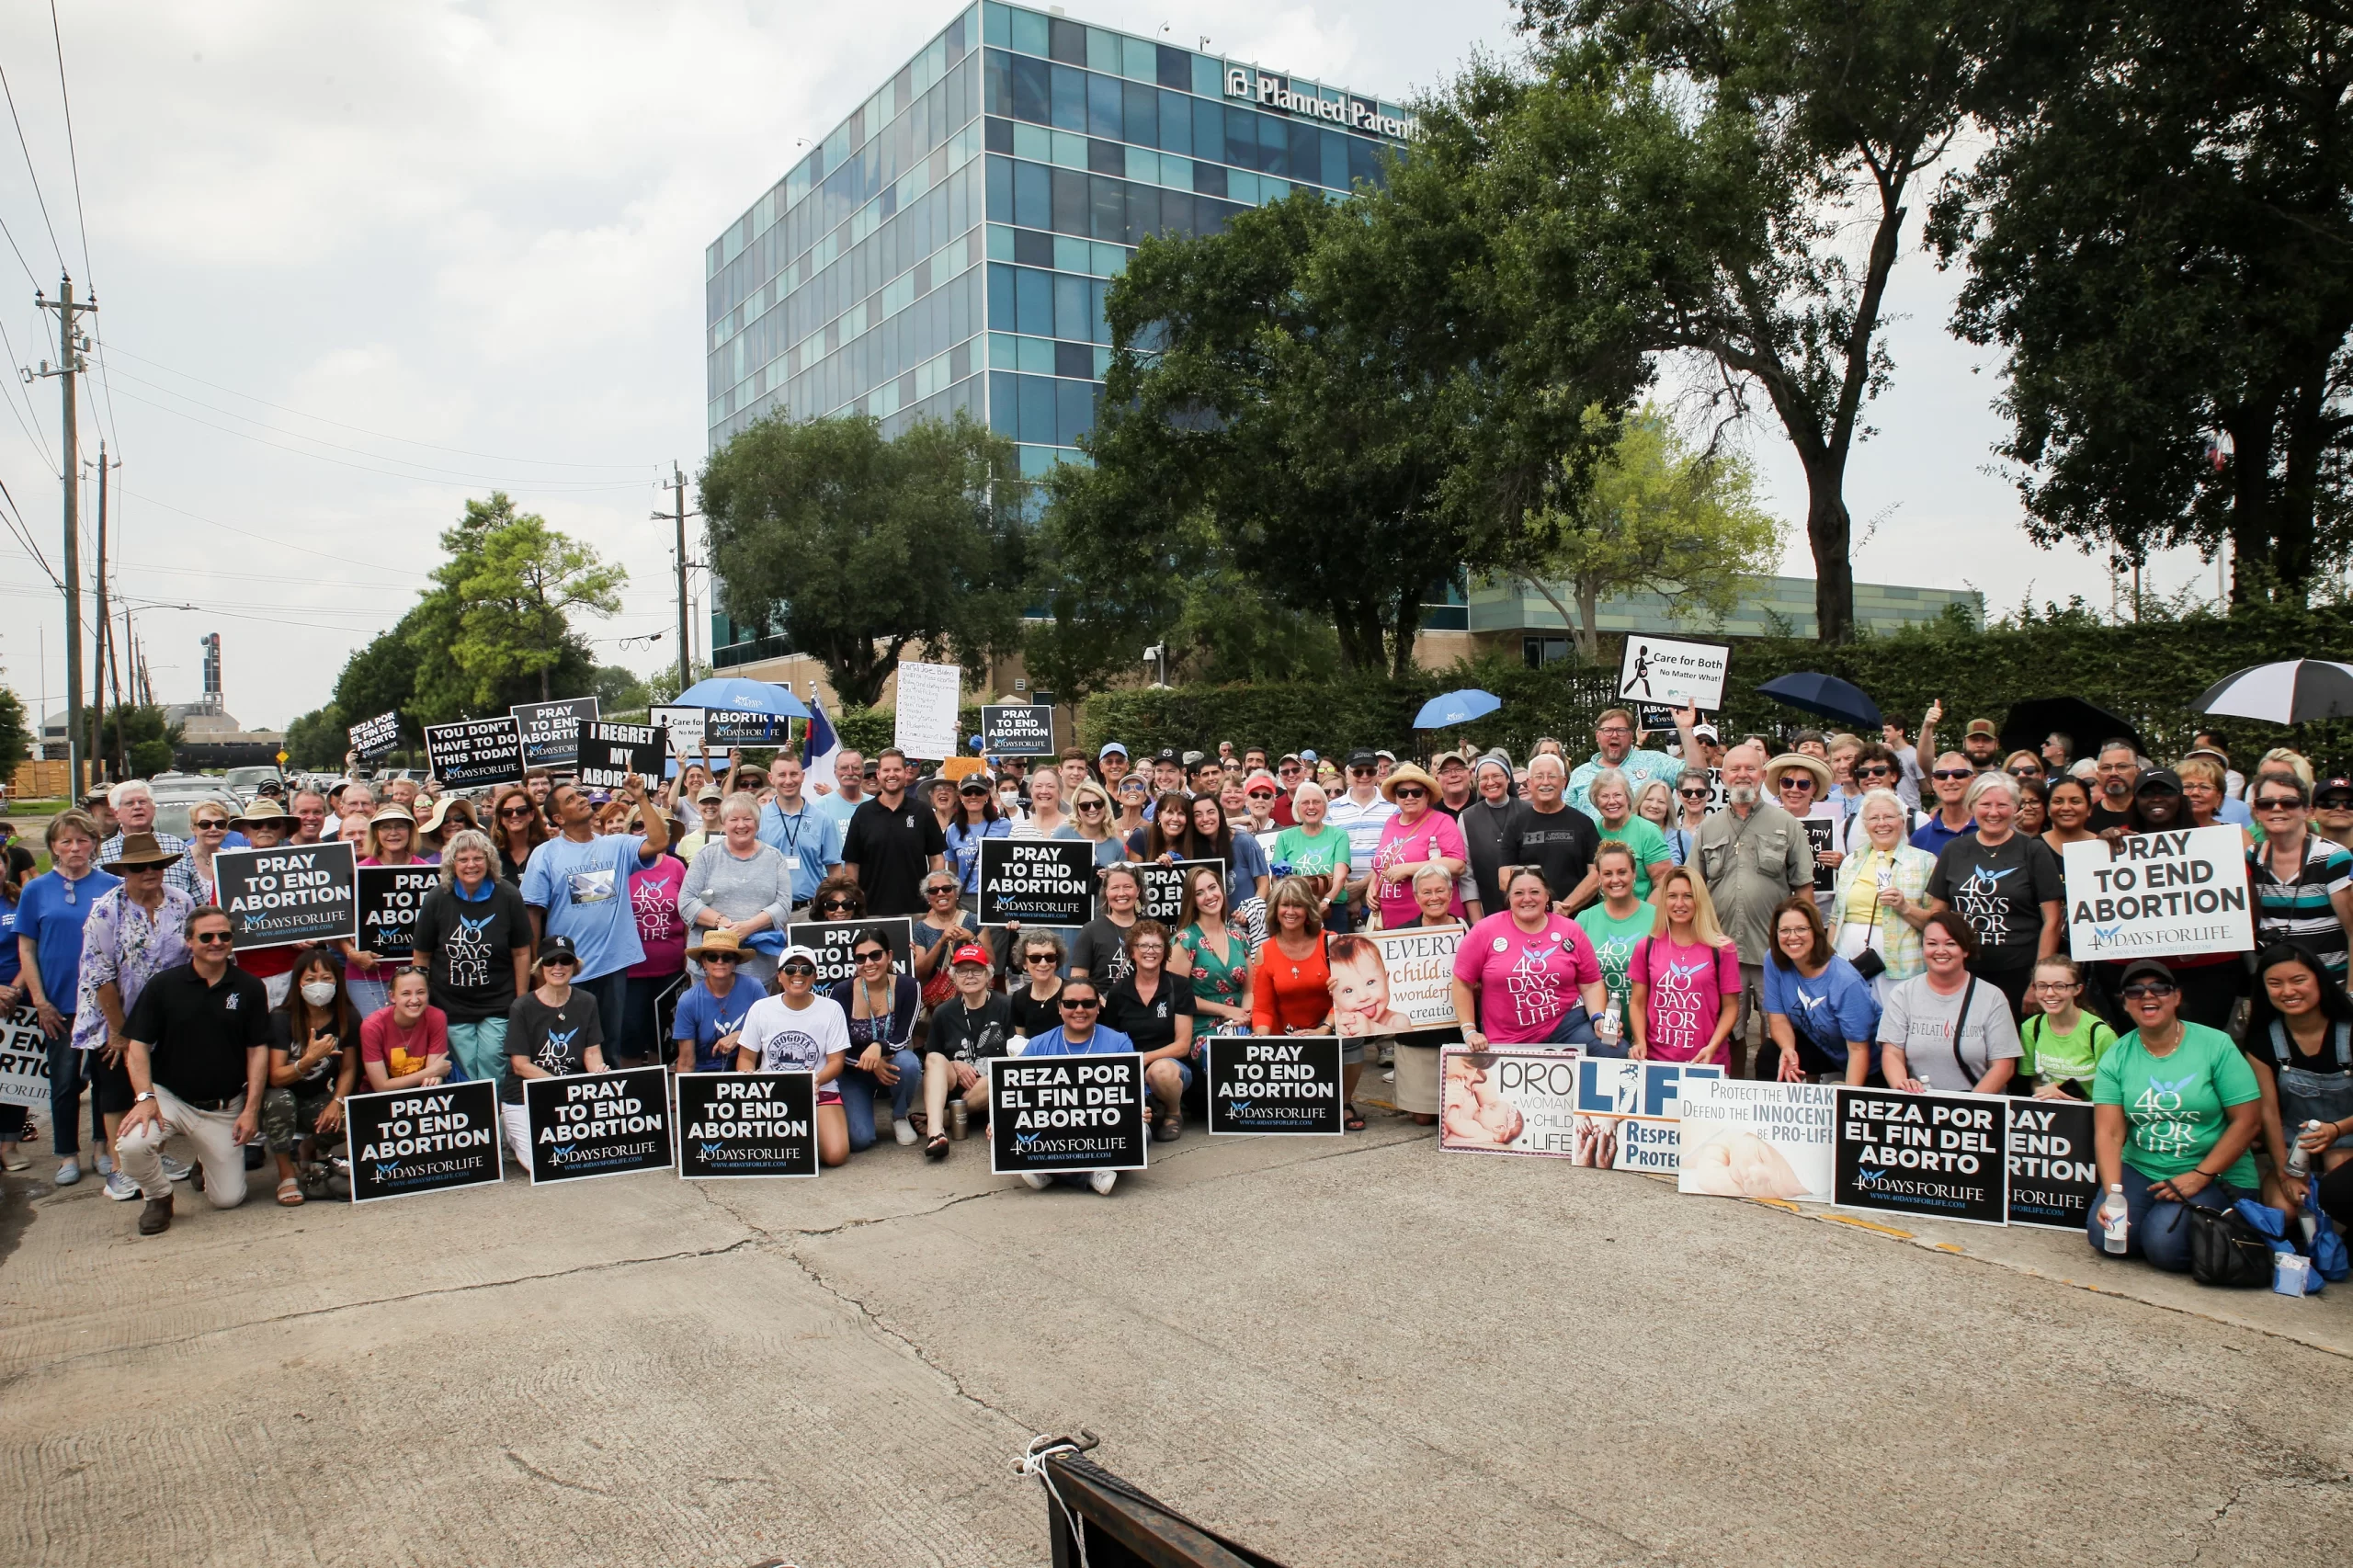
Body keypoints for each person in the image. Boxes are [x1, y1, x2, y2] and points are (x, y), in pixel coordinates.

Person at [2086, 957, 2264, 1272]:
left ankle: (2213, 1223)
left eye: (2160, 988)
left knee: (2164, 1247)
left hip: (2214, 1171)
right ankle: (2164, 1224)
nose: (2148, 996)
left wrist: (2201, 1176)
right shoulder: (2117, 1055)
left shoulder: (2216, 1045)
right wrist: (2114, 1194)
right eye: (2136, 990)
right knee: (2107, 1236)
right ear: (2124, 1003)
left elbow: (2248, 1121)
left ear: (2177, 997)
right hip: (2142, 1167)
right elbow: (2110, 1133)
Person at [112, 906, 271, 1233]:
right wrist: (145, 1097)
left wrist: (251, 1110)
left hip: (224, 1107)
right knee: (131, 1146)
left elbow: (258, 1051)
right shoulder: (163, 986)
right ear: (188, 941)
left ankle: (204, 1160)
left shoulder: (251, 988)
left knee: (227, 1199)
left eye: (224, 936)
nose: (217, 942)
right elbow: (138, 1047)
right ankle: (158, 1197)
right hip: (170, 1098)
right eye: (207, 936)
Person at [72, 833, 196, 1202]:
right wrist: (120, 1032)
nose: (149, 872)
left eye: (156, 865)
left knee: (158, 1088)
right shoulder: (106, 910)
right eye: (140, 866)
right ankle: (121, 1167)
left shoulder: (181, 901)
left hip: (164, 1017)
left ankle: (153, 1156)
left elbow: (190, 958)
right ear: (124, 870)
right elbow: (101, 975)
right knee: (116, 1092)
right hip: (115, 1014)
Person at [521, 773, 670, 1043]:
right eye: (570, 799)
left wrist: (640, 797)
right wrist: (538, 968)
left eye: (579, 795)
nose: (580, 799)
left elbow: (659, 842)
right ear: (559, 819)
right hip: (567, 968)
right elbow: (532, 914)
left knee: (610, 1045)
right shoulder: (545, 854)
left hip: (613, 965)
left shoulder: (617, 845)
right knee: (571, 1047)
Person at [1693, 742, 1813, 1075]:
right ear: (1723, 776)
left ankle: (1772, 1094)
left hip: (1773, 951)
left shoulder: (1787, 824)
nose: (1742, 775)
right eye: (1735, 769)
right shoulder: (1708, 827)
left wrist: (1807, 942)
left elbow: (1803, 886)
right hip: (1721, 948)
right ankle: (1732, 1089)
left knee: (1780, 1028)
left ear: (1762, 774)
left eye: (1750, 768)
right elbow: (1693, 887)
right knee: (1729, 1029)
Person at [19, 811, 118, 1187]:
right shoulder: (35, 889)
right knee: (63, 1082)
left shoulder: (110, 884)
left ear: (94, 843)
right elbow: (27, 948)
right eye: (66, 841)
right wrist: (39, 999)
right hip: (58, 1002)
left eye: (82, 840)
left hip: (102, 1002)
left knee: (105, 1081)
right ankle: (66, 1155)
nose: (74, 848)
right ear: (53, 848)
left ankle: (101, 1148)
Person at [1924, 771, 2063, 1020]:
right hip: (1963, 972)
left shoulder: (2033, 850)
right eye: (1985, 804)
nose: (1994, 812)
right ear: (1972, 806)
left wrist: (2040, 981)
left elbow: (2053, 920)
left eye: (2002, 805)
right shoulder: (1954, 850)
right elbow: (1938, 915)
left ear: (2015, 807)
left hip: (2019, 972)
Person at [409, 828, 534, 1088]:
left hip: (498, 1001)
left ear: (489, 862)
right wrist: (422, 999)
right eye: (463, 859)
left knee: (492, 1062)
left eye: (478, 858)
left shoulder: (509, 895)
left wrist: (520, 1001)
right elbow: (422, 956)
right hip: (450, 1003)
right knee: (465, 1068)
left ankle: (495, 1119)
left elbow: (522, 952)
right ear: (451, 864)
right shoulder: (436, 898)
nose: (471, 865)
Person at [2245, 943, 2353, 1215]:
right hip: (2293, 1147)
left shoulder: (2349, 1028)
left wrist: (2337, 1130)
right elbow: (2268, 1113)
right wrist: (2286, 1174)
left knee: (2339, 1180)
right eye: (2275, 983)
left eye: (2298, 980)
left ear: (2318, 979)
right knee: (2286, 1209)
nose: (2288, 991)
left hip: (2348, 1138)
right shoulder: (2261, 1040)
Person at [1452, 864, 1608, 1052]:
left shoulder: (1570, 929)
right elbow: (1462, 983)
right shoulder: (1485, 931)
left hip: (1567, 1026)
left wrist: (1598, 1018)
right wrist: (1469, 1030)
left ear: (1547, 896)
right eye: (1518, 893)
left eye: (1535, 891)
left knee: (1614, 1049)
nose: (1527, 899)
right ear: (1509, 898)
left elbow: (1591, 983)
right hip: (1508, 1037)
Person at [730, 943, 850, 1166]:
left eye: (806, 970)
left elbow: (836, 1062)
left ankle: (808, 1133)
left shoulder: (832, 1008)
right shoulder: (761, 1008)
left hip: (819, 1090)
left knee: (836, 1155)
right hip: (771, 1093)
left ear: (814, 976)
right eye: (790, 969)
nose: (798, 974)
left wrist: (814, 1081)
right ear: (779, 976)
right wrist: (747, 1075)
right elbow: (746, 1057)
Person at [1009, 976, 1130, 1196]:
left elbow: (1131, 1094)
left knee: (1141, 1132)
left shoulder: (1119, 1043)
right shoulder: (1038, 1045)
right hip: (1053, 1128)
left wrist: (1140, 1111)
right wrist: (999, 1122)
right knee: (1003, 1135)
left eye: (1088, 1003)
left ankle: (1051, 1171)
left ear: (1098, 1007)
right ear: (1059, 1007)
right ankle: (1090, 1174)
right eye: (1071, 1004)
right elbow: (1018, 1097)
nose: (1079, 1010)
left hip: (1100, 1129)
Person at [1877, 911, 2021, 1094]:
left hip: (1977, 1106)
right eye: (1931, 944)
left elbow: (2003, 1065)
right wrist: (1902, 1085)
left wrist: (1966, 1108)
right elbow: (1892, 1053)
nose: (1940, 951)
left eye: (1950, 944)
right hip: (1920, 1104)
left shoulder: (1993, 997)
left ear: (1965, 950)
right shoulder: (1902, 994)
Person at [496, 936, 609, 1168]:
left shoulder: (587, 1001)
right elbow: (520, 1065)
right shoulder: (522, 1006)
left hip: (570, 1097)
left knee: (589, 1156)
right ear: (541, 967)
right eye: (550, 962)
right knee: (543, 1163)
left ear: (574, 966)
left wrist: (598, 1070)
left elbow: (591, 1051)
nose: (558, 967)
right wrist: (559, 1084)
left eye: (565, 961)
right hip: (525, 1095)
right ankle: (509, 1130)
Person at [262, 949, 358, 1204]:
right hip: (278, 1099)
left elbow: (349, 1068)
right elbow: (275, 1077)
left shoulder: (346, 1016)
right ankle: (286, 1173)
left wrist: (336, 1103)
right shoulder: (281, 1019)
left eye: (327, 978)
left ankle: (310, 1148)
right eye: (311, 978)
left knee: (350, 1122)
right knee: (280, 1101)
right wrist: (308, 1060)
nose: (319, 985)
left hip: (317, 1095)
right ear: (298, 983)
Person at [1626, 866, 1743, 1066]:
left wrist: (1712, 1047)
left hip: (1706, 1062)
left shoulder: (1722, 948)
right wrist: (1640, 1042)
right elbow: (1637, 1003)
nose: (1679, 903)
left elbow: (1731, 1007)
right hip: (1657, 1061)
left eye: (1688, 896)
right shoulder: (1646, 946)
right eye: (1672, 896)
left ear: (1699, 900)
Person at [1826, 790, 1938, 1000]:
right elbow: (1836, 917)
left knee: (1896, 1024)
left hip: (1901, 964)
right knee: (1854, 1024)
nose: (1881, 823)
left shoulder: (1925, 862)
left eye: (1888, 817)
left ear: (1902, 821)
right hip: (1848, 959)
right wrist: (1828, 959)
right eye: (1874, 818)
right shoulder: (1851, 861)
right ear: (1865, 825)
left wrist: (1905, 908)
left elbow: (1938, 921)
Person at [679, 792, 792, 989]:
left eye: (747, 819)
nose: (741, 825)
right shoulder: (706, 855)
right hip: (710, 966)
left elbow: (783, 905)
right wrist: (725, 925)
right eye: (734, 819)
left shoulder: (775, 858)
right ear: (724, 823)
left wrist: (749, 926)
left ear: (757, 823)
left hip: (758, 967)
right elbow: (686, 902)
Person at [2247, 771, 2353, 981]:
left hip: (2330, 986)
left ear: (2307, 810)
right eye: (2266, 803)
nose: (2277, 808)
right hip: (2277, 986)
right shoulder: (2252, 856)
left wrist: (2351, 993)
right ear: (2256, 811)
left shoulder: (2332, 857)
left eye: (2289, 802)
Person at [1762, 895, 1877, 1085]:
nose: (1792, 937)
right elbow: (1778, 1017)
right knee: (1771, 1054)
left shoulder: (1845, 980)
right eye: (1784, 930)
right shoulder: (1774, 960)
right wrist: (1788, 1049)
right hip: (1824, 1047)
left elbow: (1858, 1050)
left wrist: (1847, 1099)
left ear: (1816, 931)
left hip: (1868, 1059)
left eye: (1801, 929)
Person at [1104, 921, 1196, 1142]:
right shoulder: (1118, 991)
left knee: (1160, 1071)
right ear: (1132, 952)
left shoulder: (1179, 986)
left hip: (1172, 1066)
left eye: (1157, 946)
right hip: (1131, 1069)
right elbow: (1111, 1039)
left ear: (1165, 952)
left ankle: (1173, 1113)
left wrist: (1143, 1060)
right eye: (1143, 946)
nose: (1150, 952)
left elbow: (1183, 1045)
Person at [830, 931, 921, 1150]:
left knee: (908, 1062)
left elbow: (904, 1035)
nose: (868, 963)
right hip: (853, 1071)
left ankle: (899, 1115)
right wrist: (871, 1063)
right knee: (860, 1140)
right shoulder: (841, 991)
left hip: (892, 1064)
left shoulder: (909, 986)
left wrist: (878, 1047)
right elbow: (836, 1046)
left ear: (889, 956)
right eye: (860, 958)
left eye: (875, 955)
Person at [919, 942, 1009, 1160]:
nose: (969, 976)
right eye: (962, 971)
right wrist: (953, 1065)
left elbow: (1018, 1054)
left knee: (999, 1075)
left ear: (988, 975)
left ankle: (950, 1117)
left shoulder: (1007, 1006)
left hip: (990, 1091)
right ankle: (936, 1132)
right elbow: (934, 1061)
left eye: (976, 970)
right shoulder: (943, 1012)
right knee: (933, 1058)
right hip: (957, 1089)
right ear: (954, 977)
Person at [842, 750, 948, 918]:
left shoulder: (922, 811)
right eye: (886, 770)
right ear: (878, 774)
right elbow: (852, 864)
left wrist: (932, 899)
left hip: (917, 910)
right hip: (871, 911)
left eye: (897, 770)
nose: (892, 775)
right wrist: (855, 903)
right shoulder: (863, 813)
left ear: (905, 772)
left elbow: (936, 858)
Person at [619, 823, 688, 1070]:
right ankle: (635, 1091)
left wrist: (688, 957)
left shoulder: (676, 866)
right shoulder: (619, 864)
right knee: (630, 1034)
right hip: (629, 970)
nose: (645, 831)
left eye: (653, 826)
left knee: (663, 1036)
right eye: (639, 825)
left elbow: (686, 913)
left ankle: (661, 1091)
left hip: (670, 968)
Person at [1366, 764, 1466, 931]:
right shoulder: (1391, 823)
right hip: (1390, 919)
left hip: (1428, 920)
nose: (1409, 797)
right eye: (1403, 793)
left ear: (1427, 795)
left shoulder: (1442, 821)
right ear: (1396, 797)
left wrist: (1409, 869)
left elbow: (1457, 865)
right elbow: (1384, 863)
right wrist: (1373, 886)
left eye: (1416, 792)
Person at [1576, 843, 1654, 1051]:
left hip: (1652, 1032)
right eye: (1608, 874)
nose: (1615, 880)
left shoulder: (1657, 917)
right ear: (1599, 878)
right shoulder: (1584, 920)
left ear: (1634, 873)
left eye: (1622, 872)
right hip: (1601, 1032)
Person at [1567, 704, 1699, 816]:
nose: (1614, 735)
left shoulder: (1653, 761)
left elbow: (1696, 775)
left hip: (1645, 846)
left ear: (1631, 736)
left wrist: (1686, 730)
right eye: (1607, 730)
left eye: (1621, 730)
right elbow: (1569, 820)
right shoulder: (1579, 774)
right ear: (1597, 736)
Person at [1516, 754, 1604, 917]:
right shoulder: (1516, 825)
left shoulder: (1584, 823)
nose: (1545, 782)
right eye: (1539, 776)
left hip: (1578, 919)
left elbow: (1597, 873)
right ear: (1529, 783)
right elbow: (1505, 876)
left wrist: (1565, 907)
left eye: (1552, 776)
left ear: (1563, 782)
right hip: (1531, 918)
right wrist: (1540, 904)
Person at [1572, 768, 1675, 905]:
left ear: (1627, 797)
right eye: (1604, 796)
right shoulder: (1590, 830)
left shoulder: (1648, 831)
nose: (1612, 801)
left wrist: (1647, 916)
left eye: (1617, 795)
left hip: (1640, 917)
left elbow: (1663, 882)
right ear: (1595, 801)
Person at [2018, 955, 2116, 1099]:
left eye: (2060, 986)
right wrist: (2044, 1091)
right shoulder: (2031, 1028)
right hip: (2048, 1113)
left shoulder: (2100, 1034)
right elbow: (2031, 1079)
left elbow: (2115, 1089)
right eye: (2042, 986)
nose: (2049, 993)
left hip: (2091, 1114)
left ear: (2077, 989)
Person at [671, 926, 766, 1074]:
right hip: (705, 1076)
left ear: (735, 962)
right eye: (712, 957)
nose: (720, 961)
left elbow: (769, 1030)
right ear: (703, 962)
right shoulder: (689, 1000)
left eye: (727, 957)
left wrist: (739, 1035)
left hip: (748, 1073)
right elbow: (686, 1061)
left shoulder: (754, 988)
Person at [1252, 877, 1336, 1040]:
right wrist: (1260, 1039)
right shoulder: (1265, 951)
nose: (1290, 912)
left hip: (1328, 1033)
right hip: (1285, 1042)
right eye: (1284, 905)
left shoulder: (1330, 942)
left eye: (1298, 905)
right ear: (1275, 910)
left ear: (1308, 910)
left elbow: (1348, 996)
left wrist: (1325, 1029)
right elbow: (1263, 1009)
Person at [1175, 864, 1253, 1036]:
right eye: (1199, 893)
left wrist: (1244, 1017)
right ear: (1192, 900)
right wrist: (1226, 1010)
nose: (1209, 896)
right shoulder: (1185, 941)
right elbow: (1177, 996)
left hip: (1242, 1024)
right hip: (1204, 1028)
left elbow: (1249, 991)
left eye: (1212, 887)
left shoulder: (1239, 938)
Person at [1324, 751, 1396, 934]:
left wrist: (1361, 887)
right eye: (1358, 772)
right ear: (1348, 774)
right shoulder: (1331, 808)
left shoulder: (1393, 807)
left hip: (1379, 895)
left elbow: (1393, 852)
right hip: (1339, 896)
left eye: (1369, 771)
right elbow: (1327, 851)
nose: (1364, 776)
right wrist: (1347, 890)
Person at [359, 966, 451, 1095]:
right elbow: (381, 1086)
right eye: (406, 993)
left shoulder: (437, 1017)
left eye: (420, 992)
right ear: (392, 996)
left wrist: (434, 1075)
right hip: (379, 1095)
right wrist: (433, 1072)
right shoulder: (372, 1026)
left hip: (421, 1089)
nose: (414, 1000)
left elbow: (431, 1080)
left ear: (428, 993)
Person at [1271, 780, 1350, 928]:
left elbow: (1340, 877)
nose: (1311, 807)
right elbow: (1277, 879)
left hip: (1332, 910)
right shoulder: (1285, 837)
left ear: (1325, 806)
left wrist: (1326, 902)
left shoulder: (1339, 835)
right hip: (1294, 911)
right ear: (1297, 807)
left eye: (1316, 802)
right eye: (1305, 803)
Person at [1177, 792, 1273, 912]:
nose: (1205, 818)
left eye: (1211, 812)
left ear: (1220, 814)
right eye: (1198, 815)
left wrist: (1249, 912)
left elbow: (1264, 884)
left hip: (1247, 922)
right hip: (1212, 923)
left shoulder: (1245, 842)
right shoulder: (1191, 847)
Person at [99, 780, 196, 898]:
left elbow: (199, 901)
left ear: (153, 807)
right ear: (116, 812)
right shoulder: (100, 854)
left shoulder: (178, 847)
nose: (137, 807)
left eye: (142, 802)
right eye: (129, 803)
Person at [0, 844, 35, 1167]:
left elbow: (31, 947)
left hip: (18, 1003)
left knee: (17, 1079)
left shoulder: (19, 899)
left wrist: (12, 990)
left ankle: (9, 1147)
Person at [1069, 862, 1143, 983]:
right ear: (1106, 892)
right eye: (1115, 888)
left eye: (1127, 887)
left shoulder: (1152, 928)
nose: (1121, 893)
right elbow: (1078, 981)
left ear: (1138, 890)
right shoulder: (1090, 931)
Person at [1909, 753, 1978, 857]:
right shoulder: (1920, 838)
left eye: (1959, 774)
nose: (1950, 781)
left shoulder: (1991, 828)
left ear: (1973, 780)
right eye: (1942, 775)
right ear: (1933, 783)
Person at [1006, 930, 1068, 1040]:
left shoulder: (1072, 992)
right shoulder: (1019, 998)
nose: (1043, 964)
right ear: (1024, 963)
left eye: (1050, 957)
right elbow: (1021, 1042)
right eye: (1035, 958)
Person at [487, 782, 547, 884]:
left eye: (521, 810)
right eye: (507, 812)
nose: (514, 815)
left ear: (532, 814)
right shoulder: (490, 854)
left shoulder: (547, 850)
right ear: (501, 818)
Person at [182, 801, 233, 904]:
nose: (214, 829)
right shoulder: (182, 860)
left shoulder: (232, 861)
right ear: (193, 829)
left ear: (227, 829)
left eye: (220, 824)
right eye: (205, 824)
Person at [1068, 779, 1125, 869]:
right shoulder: (1063, 834)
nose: (1092, 809)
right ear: (1077, 809)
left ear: (1105, 805)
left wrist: (1108, 876)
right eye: (1085, 806)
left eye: (1097, 804)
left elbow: (1123, 879)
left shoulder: (1117, 845)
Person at [2042, 774, 2100, 857]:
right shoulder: (2032, 848)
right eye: (2058, 801)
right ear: (2048, 808)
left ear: (2089, 808)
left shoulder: (2102, 846)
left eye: (2075, 801)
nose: (2066, 808)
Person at [811, 748, 869, 830]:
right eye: (844, 768)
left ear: (863, 771)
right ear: (835, 772)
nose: (850, 772)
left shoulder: (876, 803)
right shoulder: (821, 805)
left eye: (856, 768)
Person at [675, 784, 724, 859]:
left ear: (723, 805)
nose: (710, 806)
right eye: (705, 802)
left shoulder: (733, 837)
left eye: (715, 802)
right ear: (698, 805)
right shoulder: (686, 841)